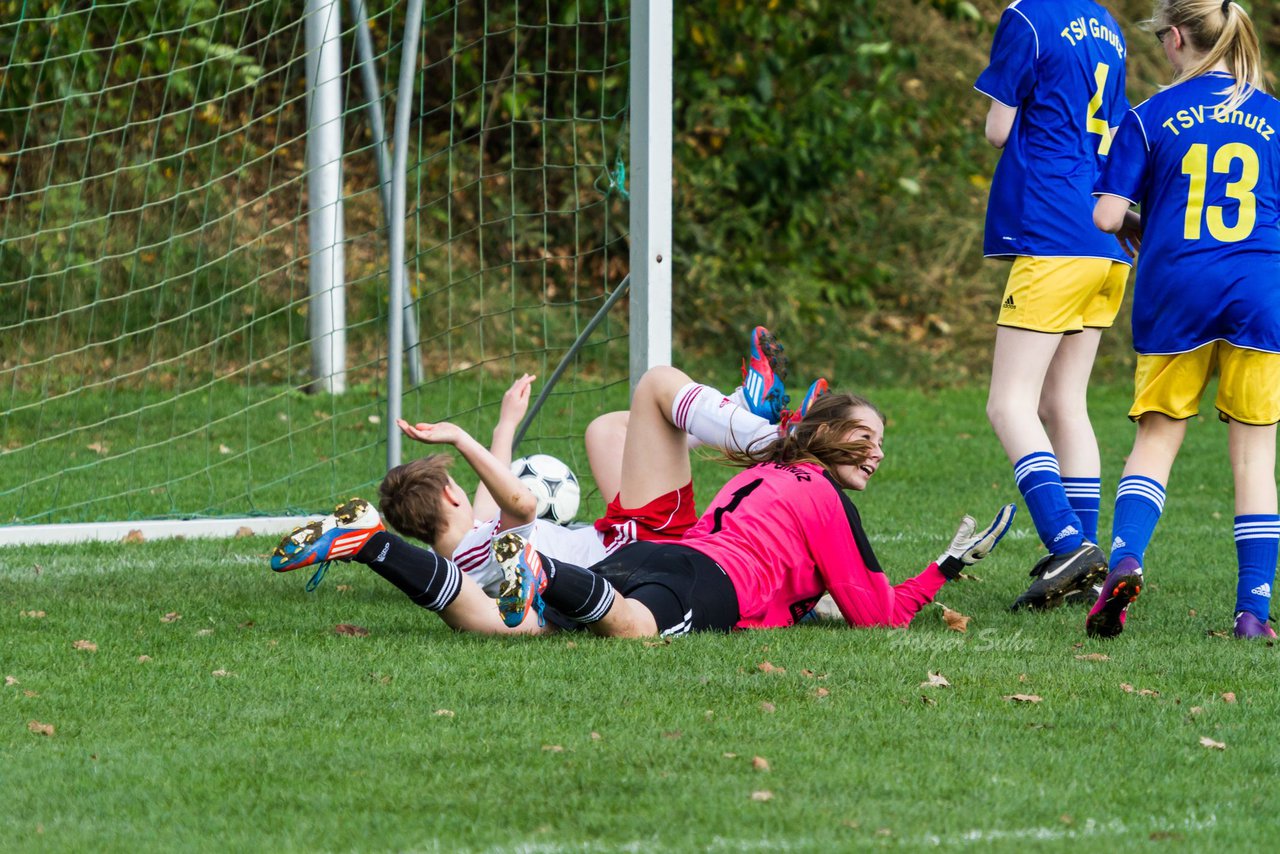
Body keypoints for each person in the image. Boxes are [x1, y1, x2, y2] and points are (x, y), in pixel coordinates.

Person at [275, 382, 1017, 637]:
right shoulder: (820, 493)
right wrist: (941, 572)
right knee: (632, 630)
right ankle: (534, 565)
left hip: (654, 555)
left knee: (511, 626)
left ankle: (373, 544)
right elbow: (874, 611)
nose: (878, 452)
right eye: (867, 438)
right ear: (826, 440)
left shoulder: (753, 479)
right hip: (702, 580)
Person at [271, 328, 829, 628]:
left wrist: (504, 425)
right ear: (451, 493)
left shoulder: (462, 554)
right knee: (656, 386)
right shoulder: (491, 539)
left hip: (621, 536)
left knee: (607, 432)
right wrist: (462, 439)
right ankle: (773, 436)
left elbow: (495, 496)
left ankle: (741, 411)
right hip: (642, 546)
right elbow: (519, 501)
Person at [1090, 0, 1280, 639]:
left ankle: (1124, 562)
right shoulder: (1275, 118)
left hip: (1177, 292)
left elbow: (1107, 219)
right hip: (1259, 291)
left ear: (1174, 39)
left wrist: (1152, 224)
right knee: (1255, 460)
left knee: (1157, 439)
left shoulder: (1147, 117)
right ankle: (1253, 611)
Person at [975, 0, 1133, 611]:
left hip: (1054, 228)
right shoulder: (1109, 27)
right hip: (1107, 236)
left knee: (1007, 402)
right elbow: (1112, 133)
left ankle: (1067, 542)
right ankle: (1087, 567)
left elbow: (997, 128)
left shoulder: (1028, 17)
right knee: (1065, 402)